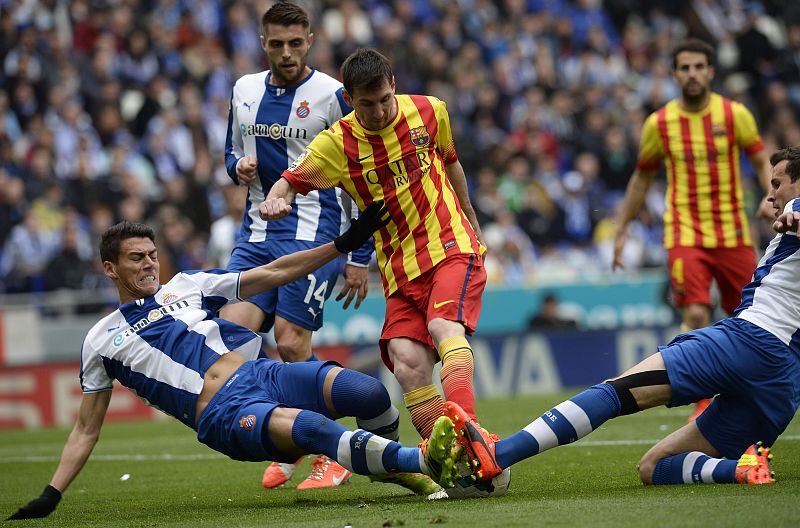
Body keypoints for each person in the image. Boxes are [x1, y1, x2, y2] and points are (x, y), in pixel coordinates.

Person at [6, 210, 464, 521]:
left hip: (261, 374)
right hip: (222, 413)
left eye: (151, 255)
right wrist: (51, 494)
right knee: (306, 427)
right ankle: (419, 463)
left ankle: (392, 467)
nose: (149, 265)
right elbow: (86, 428)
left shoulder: (185, 285)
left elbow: (272, 273)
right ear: (110, 269)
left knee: (368, 393)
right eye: (135, 259)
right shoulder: (101, 338)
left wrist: (342, 244)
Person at [444, 146, 800, 490]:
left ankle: (498, 454)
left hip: (749, 340)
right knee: (654, 468)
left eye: (777, 184)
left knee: (616, 392)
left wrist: (793, 214)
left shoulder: (796, 210)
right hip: (782, 385)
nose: (771, 195)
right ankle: (741, 469)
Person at [259, 48, 495, 457]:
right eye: (367, 104)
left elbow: (451, 161)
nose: (379, 111)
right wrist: (274, 200)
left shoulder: (429, 111)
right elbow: (289, 181)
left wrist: (471, 216)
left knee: (443, 329)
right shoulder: (336, 145)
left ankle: (469, 431)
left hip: (451, 245)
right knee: (406, 362)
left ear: (394, 88)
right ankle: (452, 454)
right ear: (349, 100)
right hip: (399, 268)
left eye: (385, 99)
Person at [222, 2, 374, 489]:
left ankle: (331, 451)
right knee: (230, 341)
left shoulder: (332, 93)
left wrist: (358, 256)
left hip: (315, 232)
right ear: (262, 42)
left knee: (289, 341)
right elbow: (231, 150)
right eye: (276, 43)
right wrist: (238, 168)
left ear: (310, 40)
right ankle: (294, 432)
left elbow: (362, 173)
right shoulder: (244, 89)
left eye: (295, 43)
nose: (286, 53)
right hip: (254, 234)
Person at [612, 38, 772, 420]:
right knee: (697, 313)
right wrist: (621, 229)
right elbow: (641, 179)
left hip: (733, 233)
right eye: (685, 68)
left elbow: (762, 160)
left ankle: (740, 393)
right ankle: (700, 396)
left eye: (699, 66)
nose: (693, 74)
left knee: (747, 317)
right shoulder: (660, 123)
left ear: (711, 71)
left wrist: (771, 195)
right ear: (674, 74)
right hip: (685, 234)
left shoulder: (735, 115)